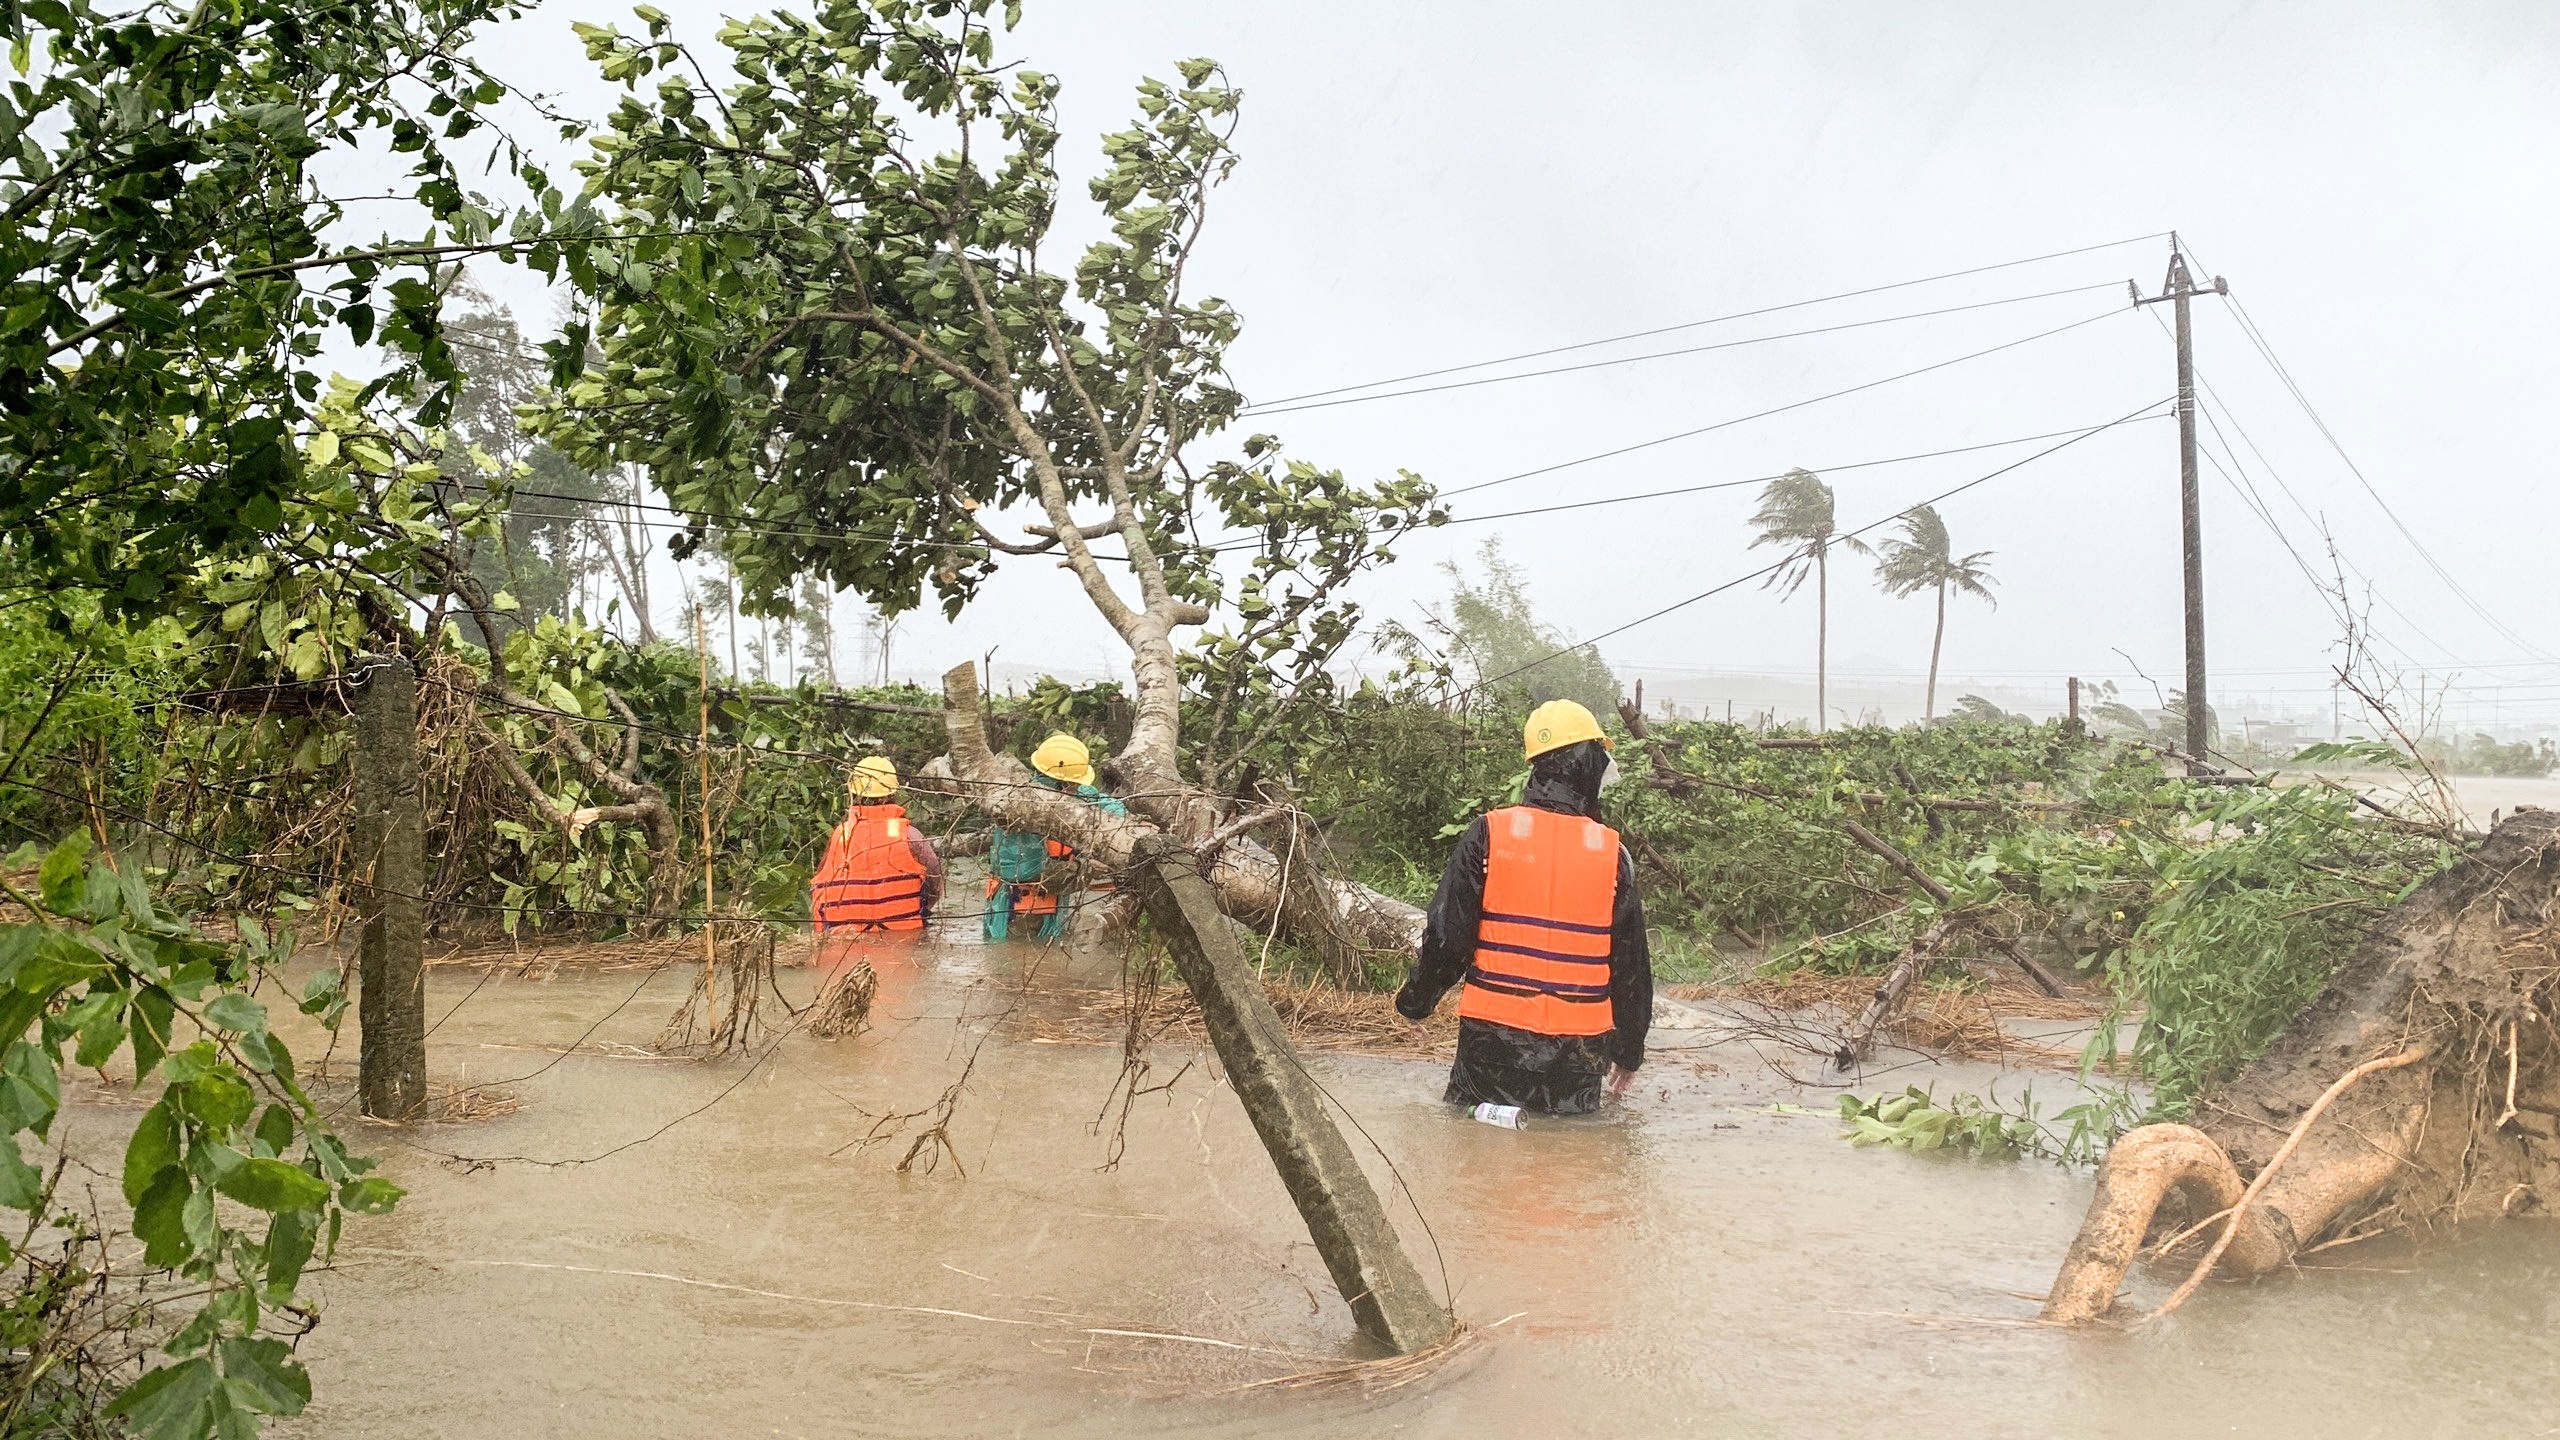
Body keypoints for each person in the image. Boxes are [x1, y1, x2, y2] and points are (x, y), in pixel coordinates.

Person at [1395, 700, 1652, 1115]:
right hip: (1579, 1051)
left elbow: (1448, 936)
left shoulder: (1489, 834)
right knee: (1571, 1161)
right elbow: (1631, 964)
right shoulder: (1612, 853)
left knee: (1473, 1152)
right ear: (1587, 761)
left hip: (1491, 1040)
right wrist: (1629, 1048)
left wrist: (1416, 1002)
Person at [984, 733, 1126, 941]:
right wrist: (1088, 868)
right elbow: (1025, 871)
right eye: (1074, 783)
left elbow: (1101, 801)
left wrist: (1127, 822)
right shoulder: (1023, 811)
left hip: (1051, 911)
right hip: (1020, 916)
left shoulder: (1070, 797)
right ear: (1063, 783)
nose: (1077, 787)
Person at [811, 756, 943, 933]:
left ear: (853, 794)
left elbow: (819, 886)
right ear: (893, 794)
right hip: (902, 934)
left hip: (842, 936)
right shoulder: (910, 835)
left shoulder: (840, 835)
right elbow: (934, 884)